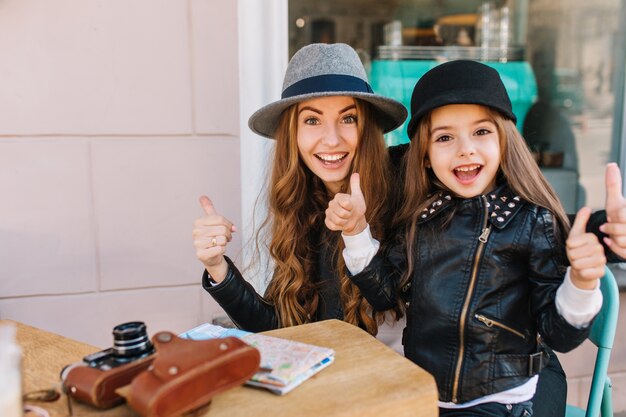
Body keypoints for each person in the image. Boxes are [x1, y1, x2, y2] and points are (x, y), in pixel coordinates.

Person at [329, 60, 610, 416]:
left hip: (497, 402)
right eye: (444, 137)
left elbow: (560, 336)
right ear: (426, 157)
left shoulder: (533, 222)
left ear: (505, 139)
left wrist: (583, 281)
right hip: (424, 391)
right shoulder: (421, 218)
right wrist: (356, 231)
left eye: (481, 132)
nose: (465, 149)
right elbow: (385, 294)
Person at [191, 43, 407, 335]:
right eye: (312, 120)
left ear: (365, 127)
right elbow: (279, 326)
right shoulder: (306, 205)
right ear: (292, 133)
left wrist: (357, 232)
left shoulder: (404, 192)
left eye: (348, 118)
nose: (331, 140)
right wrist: (218, 267)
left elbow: (387, 299)